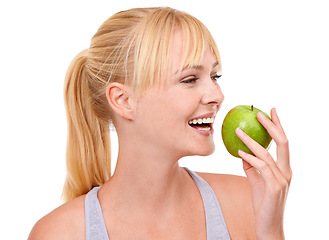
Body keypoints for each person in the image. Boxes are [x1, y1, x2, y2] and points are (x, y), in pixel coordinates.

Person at [28, 7, 292, 240]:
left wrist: (271, 233)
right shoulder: (58, 233)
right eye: (190, 79)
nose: (217, 96)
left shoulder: (245, 202)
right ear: (123, 100)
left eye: (214, 76)